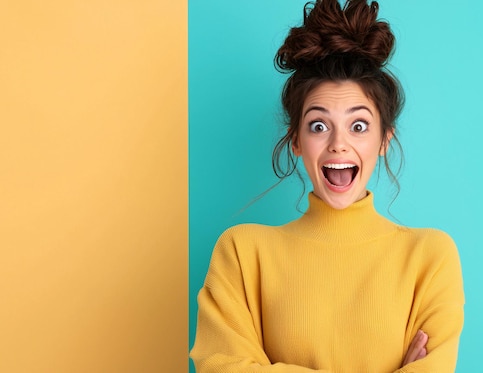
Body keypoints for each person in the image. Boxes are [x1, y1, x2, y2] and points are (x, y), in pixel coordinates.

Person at [190, 0, 465, 372]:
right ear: (296, 141)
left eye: (359, 126)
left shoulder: (429, 258)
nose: (338, 143)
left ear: (384, 140)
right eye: (319, 125)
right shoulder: (242, 254)